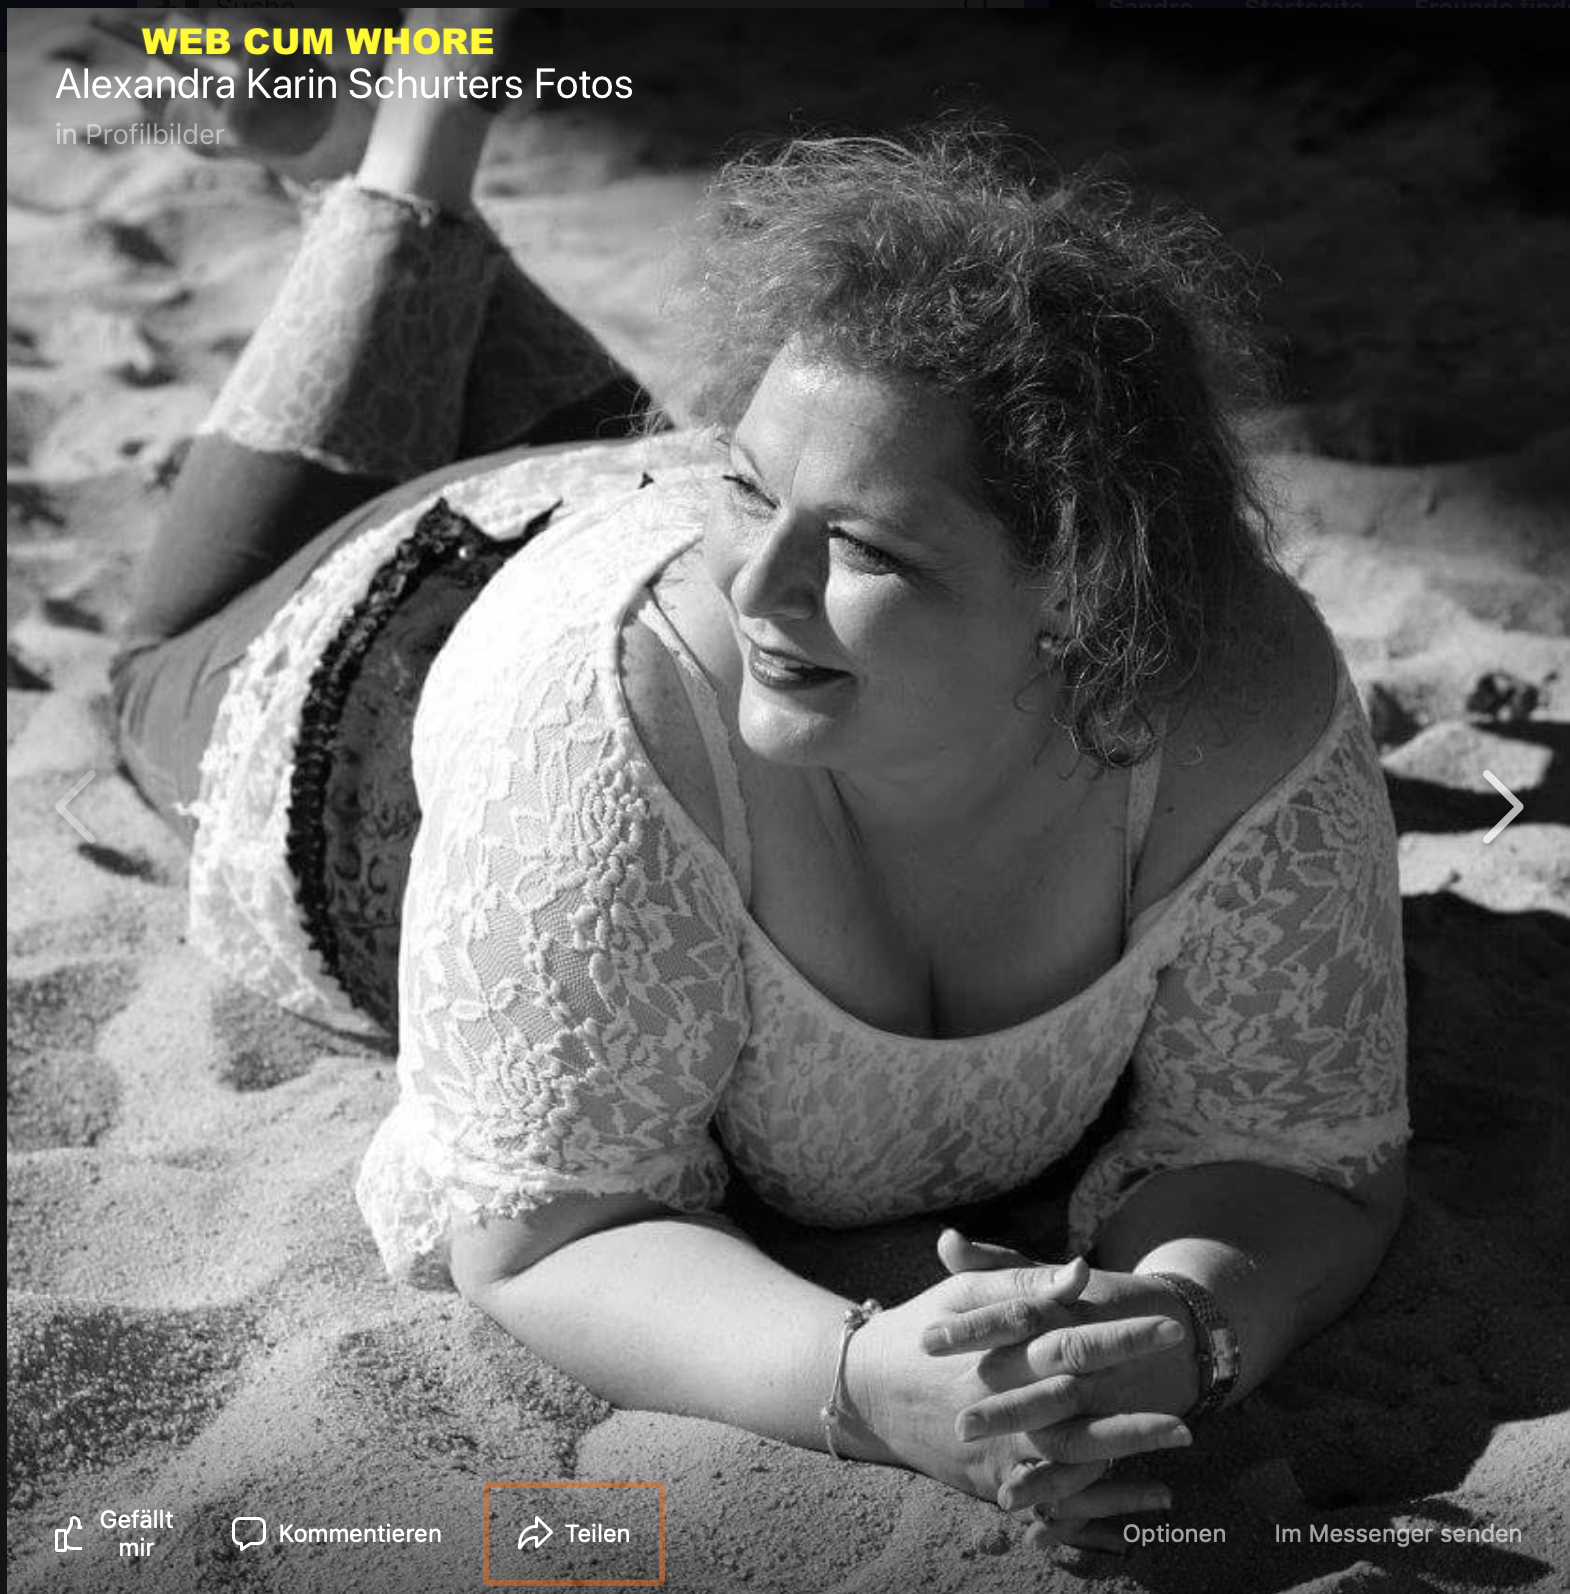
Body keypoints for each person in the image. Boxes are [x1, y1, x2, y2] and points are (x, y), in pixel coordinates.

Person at [107, 33, 1409, 1558]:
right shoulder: (604, 719)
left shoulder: (1242, 702)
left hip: (630, 495)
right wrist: (856, 1381)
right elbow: (542, 1228)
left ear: (1079, 591)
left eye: (860, 548)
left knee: (651, 447)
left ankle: (412, 202)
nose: (764, 578)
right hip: (382, 643)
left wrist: (1176, 1323)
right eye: (757, 490)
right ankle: (399, 172)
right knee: (135, 678)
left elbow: (1297, 1148)